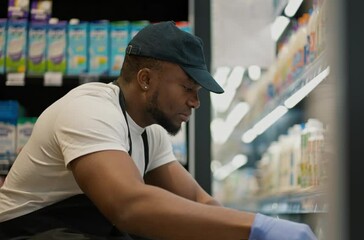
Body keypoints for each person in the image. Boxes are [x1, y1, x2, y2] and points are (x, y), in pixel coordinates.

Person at [0, 21, 317, 240]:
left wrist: (240, 232)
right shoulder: (91, 109)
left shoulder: (150, 134)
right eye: (187, 88)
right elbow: (128, 205)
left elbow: (199, 202)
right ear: (146, 79)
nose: (195, 102)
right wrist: (256, 227)